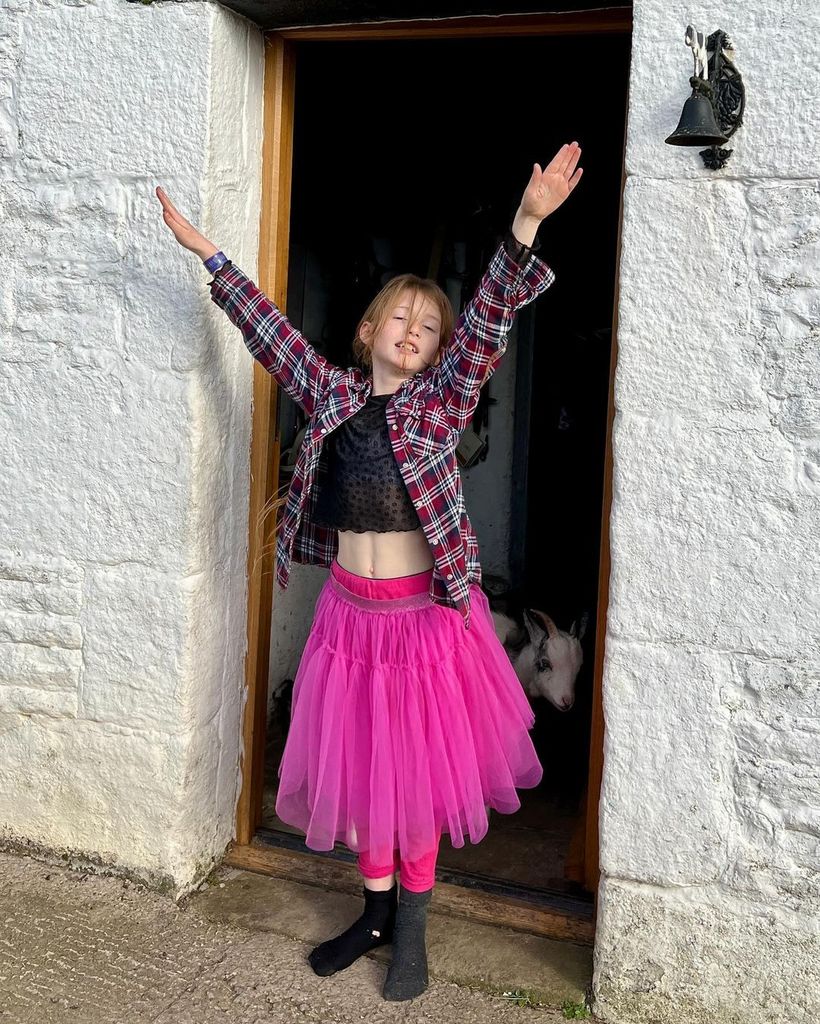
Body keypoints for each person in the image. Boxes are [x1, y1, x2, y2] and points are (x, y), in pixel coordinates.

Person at [156, 141, 582, 1002]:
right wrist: (210, 255)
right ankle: (375, 912)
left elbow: (491, 320)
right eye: (402, 319)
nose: (416, 333)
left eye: (430, 330)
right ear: (369, 330)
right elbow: (269, 334)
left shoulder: (441, 402)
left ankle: (413, 933)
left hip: (425, 625)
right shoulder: (332, 392)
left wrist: (527, 221)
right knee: (366, 786)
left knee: (414, 787)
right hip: (350, 623)